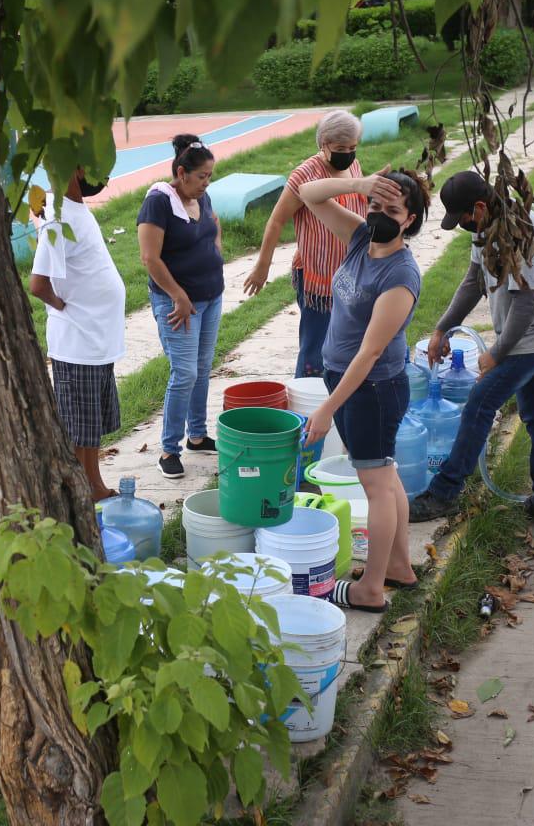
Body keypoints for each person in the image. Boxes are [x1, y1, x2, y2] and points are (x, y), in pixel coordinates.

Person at [407, 171, 534, 529]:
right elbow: (473, 281)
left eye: (465, 218)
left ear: (480, 207)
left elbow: (527, 303)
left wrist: (496, 354)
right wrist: (442, 328)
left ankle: (443, 493)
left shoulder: (516, 234)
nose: (465, 226)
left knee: (479, 405)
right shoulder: (488, 229)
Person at [298, 168, 426, 611]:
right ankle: (399, 567)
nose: (380, 215)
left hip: (372, 389)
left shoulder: (400, 275)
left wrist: (327, 409)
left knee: (376, 487)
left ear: (409, 220)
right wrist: (358, 186)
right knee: (386, 480)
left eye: (392, 210)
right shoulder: (358, 239)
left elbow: (371, 353)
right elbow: (307, 194)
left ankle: (371, 588)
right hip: (344, 377)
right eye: (376, 206)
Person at [244, 110, 369, 377]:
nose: (347, 153)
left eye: (353, 147)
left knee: (348, 345)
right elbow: (276, 221)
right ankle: (306, 407)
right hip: (318, 280)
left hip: (351, 273)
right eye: (340, 148)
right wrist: (262, 267)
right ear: (323, 145)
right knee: (316, 348)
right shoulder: (306, 174)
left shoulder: (353, 168)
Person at [28, 168, 126, 500]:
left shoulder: (74, 208)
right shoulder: (57, 219)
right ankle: (78, 491)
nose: (104, 173)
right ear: (76, 167)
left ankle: (93, 483)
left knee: (91, 426)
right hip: (78, 341)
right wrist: (63, 306)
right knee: (78, 428)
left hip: (98, 340)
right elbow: (38, 284)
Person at [137, 134, 224, 480]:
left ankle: (197, 435)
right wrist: (178, 295)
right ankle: (169, 449)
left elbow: (214, 223)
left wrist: (215, 252)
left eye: (209, 177)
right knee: (184, 372)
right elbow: (149, 257)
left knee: (202, 368)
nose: (206, 183)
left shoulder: (201, 196)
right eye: (202, 176)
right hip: (178, 304)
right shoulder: (158, 202)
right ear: (182, 172)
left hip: (211, 296)